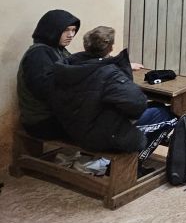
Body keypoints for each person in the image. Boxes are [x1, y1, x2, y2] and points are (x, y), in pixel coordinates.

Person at [49, 26, 148, 154]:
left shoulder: (68, 64)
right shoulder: (109, 74)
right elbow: (138, 104)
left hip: (72, 128)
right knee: (159, 114)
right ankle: (122, 163)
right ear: (110, 48)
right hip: (97, 136)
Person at [16, 9, 80, 140]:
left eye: (73, 30)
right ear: (52, 29)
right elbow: (45, 91)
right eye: (66, 30)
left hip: (54, 116)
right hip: (41, 122)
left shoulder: (58, 50)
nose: (71, 35)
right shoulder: (38, 54)